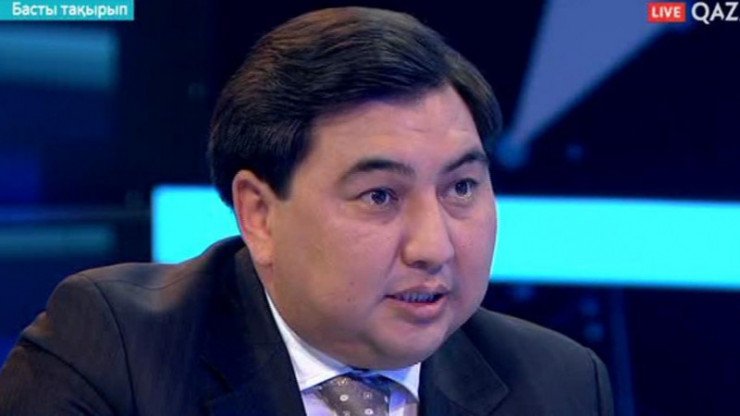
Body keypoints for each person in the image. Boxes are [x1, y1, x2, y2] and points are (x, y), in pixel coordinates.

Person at [0, 7, 613, 416]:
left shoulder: (560, 383)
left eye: (461, 188)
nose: (434, 246)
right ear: (260, 215)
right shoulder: (115, 354)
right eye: (380, 196)